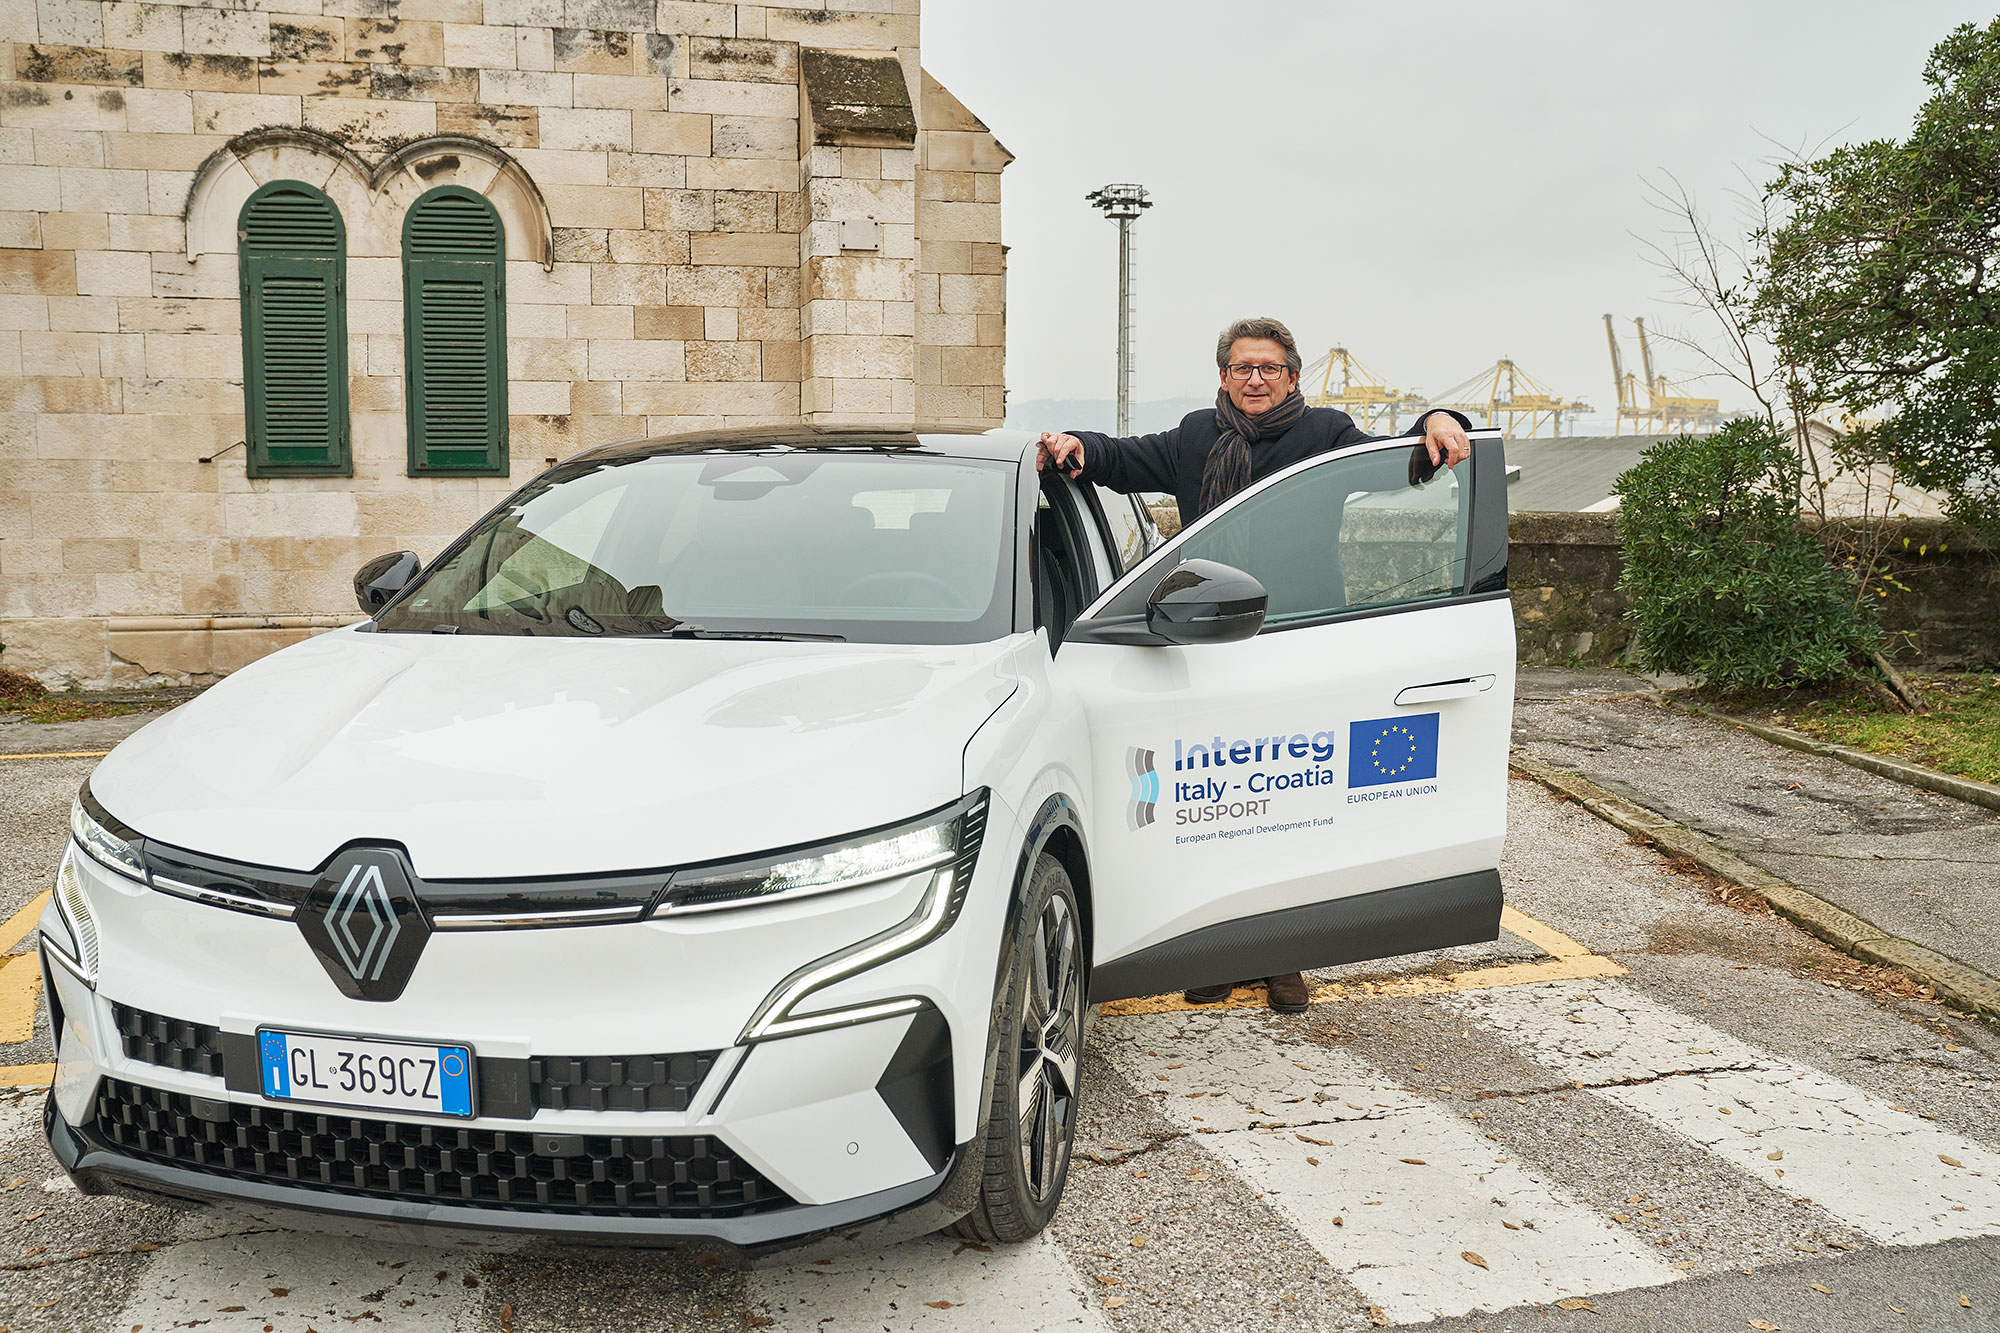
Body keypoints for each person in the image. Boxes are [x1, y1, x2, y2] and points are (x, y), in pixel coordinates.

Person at [1036, 315, 1473, 1015]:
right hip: (1203, 638)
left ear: (1293, 376)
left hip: (1297, 643)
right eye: (1243, 368)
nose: (1256, 380)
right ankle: (1216, 944)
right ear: (1223, 377)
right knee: (1215, 800)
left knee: (1291, 801)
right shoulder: (1192, 438)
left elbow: (1405, 459)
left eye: (1269, 368)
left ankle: (1282, 955)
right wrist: (1073, 446)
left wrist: (1442, 417)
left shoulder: (1326, 435)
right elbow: (1119, 459)